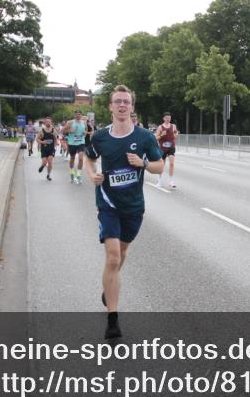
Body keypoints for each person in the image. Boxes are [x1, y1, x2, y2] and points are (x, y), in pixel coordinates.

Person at [85, 85, 164, 339]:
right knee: (113, 257)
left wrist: (143, 163)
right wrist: (92, 175)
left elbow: (160, 166)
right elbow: (88, 158)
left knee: (123, 251)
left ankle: (109, 286)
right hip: (108, 204)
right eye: (117, 101)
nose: (121, 105)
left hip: (133, 206)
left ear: (131, 107)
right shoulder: (100, 137)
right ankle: (113, 319)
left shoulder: (145, 137)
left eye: (126, 102)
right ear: (110, 107)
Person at [154, 112, 179, 188]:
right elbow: (156, 138)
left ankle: (171, 181)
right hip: (162, 148)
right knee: (162, 164)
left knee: (171, 163)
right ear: (164, 118)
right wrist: (162, 135)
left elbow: (175, 136)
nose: (168, 119)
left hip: (171, 147)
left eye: (169, 118)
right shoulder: (160, 127)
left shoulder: (173, 126)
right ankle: (159, 180)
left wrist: (176, 135)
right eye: (166, 118)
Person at [65, 110, 88, 185]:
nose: (78, 116)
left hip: (81, 142)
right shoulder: (70, 122)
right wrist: (69, 130)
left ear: (81, 115)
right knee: (72, 158)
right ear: (74, 115)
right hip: (72, 143)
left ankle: (79, 175)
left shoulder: (84, 122)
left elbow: (86, 130)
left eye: (79, 114)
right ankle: (72, 173)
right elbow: (62, 130)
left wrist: (85, 133)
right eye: (77, 114)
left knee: (81, 158)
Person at [37, 117, 57, 181]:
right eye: (47, 122)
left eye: (49, 122)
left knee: (50, 162)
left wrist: (55, 146)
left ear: (51, 123)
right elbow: (37, 139)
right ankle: (42, 166)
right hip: (44, 149)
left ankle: (48, 175)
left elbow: (56, 139)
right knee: (44, 162)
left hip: (51, 149)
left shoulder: (53, 130)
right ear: (45, 123)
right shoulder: (41, 131)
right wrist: (42, 142)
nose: (48, 123)